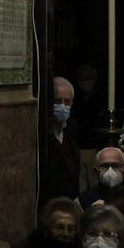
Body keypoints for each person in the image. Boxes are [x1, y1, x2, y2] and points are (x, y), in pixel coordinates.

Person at [39, 75, 92, 205]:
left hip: (70, 200)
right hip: (49, 202)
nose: (62, 106)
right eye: (57, 101)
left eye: (67, 102)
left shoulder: (72, 127)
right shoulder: (42, 132)